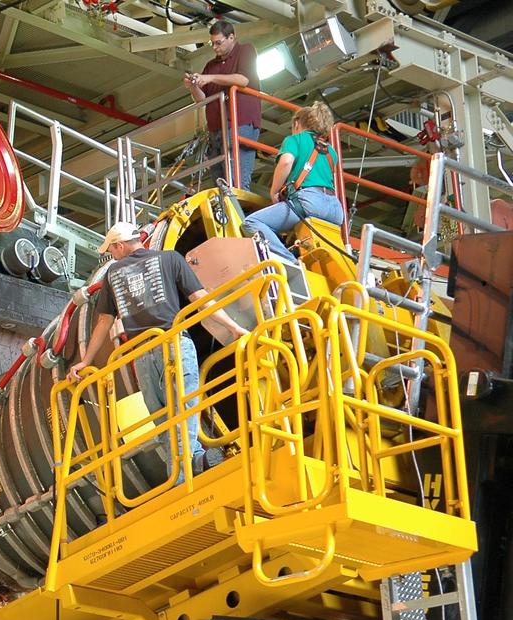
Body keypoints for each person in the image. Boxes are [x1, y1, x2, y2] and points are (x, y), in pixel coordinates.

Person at [77, 222, 248, 478]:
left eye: (111, 250)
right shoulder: (170, 259)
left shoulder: (113, 273)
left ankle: (184, 475)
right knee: (184, 412)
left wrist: (85, 361)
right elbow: (200, 299)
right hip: (174, 343)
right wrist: (233, 327)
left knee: (163, 421)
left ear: (119, 245)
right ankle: (190, 469)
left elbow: (104, 321)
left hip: (142, 353)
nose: (112, 255)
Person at [242, 103, 345, 262]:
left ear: (297, 124)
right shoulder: (331, 151)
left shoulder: (295, 139)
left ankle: (291, 262)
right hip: (335, 210)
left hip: (310, 202)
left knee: (252, 222)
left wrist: (274, 191)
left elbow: (286, 162)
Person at [183, 21, 262, 188]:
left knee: (237, 180)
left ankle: (238, 205)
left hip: (240, 123)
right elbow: (201, 99)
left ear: (231, 37)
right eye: (212, 43)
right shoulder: (211, 66)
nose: (215, 47)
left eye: (218, 43)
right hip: (216, 130)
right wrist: (193, 86)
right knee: (220, 183)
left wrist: (210, 78)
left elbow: (243, 80)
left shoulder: (245, 50)